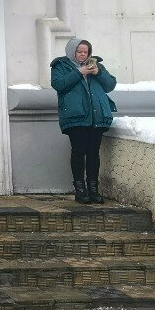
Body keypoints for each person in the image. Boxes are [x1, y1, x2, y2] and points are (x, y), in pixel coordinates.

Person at [50, 38, 117, 204]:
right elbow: (59, 85)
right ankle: (80, 190)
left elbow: (110, 85)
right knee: (79, 151)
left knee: (94, 152)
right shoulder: (61, 66)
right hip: (76, 116)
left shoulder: (96, 65)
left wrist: (98, 73)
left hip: (97, 116)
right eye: (79, 51)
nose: (83, 55)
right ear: (72, 51)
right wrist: (79, 72)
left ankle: (94, 190)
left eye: (86, 52)